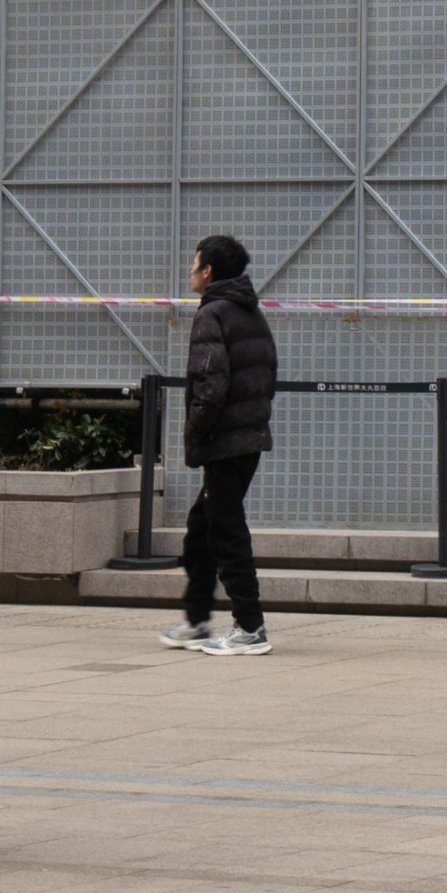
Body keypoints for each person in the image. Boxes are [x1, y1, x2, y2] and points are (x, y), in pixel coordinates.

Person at [160, 233, 279, 657]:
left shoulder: (213, 313)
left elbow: (210, 383)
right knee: (202, 528)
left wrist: (196, 429)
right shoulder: (250, 312)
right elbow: (269, 374)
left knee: (225, 530)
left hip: (226, 440)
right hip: (246, 436)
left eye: (194, 264)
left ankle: (250, 627)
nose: (190, 272)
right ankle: (196, 620)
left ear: (208, 271)